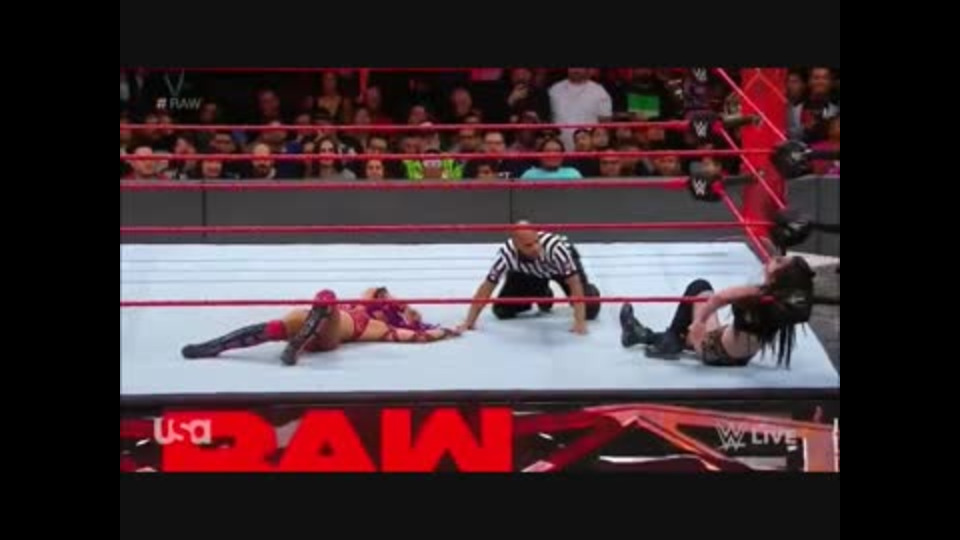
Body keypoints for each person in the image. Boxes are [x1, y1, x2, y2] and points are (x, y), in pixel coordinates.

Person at [618, 255, 815, 367]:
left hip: (714, 350)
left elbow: (719, 298)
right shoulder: (780, 305)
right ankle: (642, 335)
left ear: (777, 277)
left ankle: (666, 338)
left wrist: (699, 323)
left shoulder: (754, 294)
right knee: (685, 333)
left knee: (699, 287)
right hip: (739, 357)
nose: (773, 259)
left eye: (778, 261)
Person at [181, 287, 461, 366]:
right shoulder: (363, 303)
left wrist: (447, 330)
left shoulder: (380, 328)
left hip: (330, 335)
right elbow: (377, 290)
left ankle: (302, 338)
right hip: (313, 322)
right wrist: (403, 305)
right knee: (287, 322)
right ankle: (214, 347)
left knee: (327, 300)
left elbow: (419, 338)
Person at [458, 221, 601, 335]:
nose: (535, 248)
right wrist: (469, 321)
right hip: (531, 271)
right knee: (502, 311)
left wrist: (579, 322)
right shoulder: (506, 254)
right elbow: (487, 286)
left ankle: (589, 290)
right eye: (528, 245)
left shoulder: (555, 248)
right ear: (516, 246)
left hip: (559, 268)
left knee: (589, 308)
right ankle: (543, 292)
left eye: (536, 241)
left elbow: (574, 283)